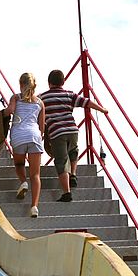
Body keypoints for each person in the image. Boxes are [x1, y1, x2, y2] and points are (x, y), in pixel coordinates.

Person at [39, 69, 109, 202]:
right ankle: (73, 174)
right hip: (72, 130)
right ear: (63, 82)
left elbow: (33, 108)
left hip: (56, 132)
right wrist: (102, 109)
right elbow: (86, 102)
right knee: (73, 151)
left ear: (49, 83)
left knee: (61, 160)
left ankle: (66, 193)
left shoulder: (42, 97)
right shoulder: (69, 94)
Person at [6, 73, 45, 217]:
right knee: (35, 174)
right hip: (34, 136)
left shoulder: (16, 98)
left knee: (19, 165)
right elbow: (42, 126)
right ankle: (34, 206)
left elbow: (10, 111)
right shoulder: (40, 103)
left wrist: (3, 114)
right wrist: (39, 138)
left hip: (18, 136)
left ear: (21, 84)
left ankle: (23, 182)